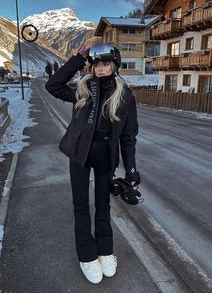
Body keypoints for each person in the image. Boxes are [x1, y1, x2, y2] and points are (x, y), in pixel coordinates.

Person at [45, 44, 139, 284]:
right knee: (81, 204)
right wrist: (78, 58)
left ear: (114, 66)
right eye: (97, 64)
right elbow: (53, 85)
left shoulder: (126, 96)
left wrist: (130, 170)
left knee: (103, 204)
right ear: (92, 66)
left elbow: (128, 138)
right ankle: (87, 255)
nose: (101, 69)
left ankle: (106, 252)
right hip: (79, 152)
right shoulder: (82, 89)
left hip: (105, 155)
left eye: (106, 64)